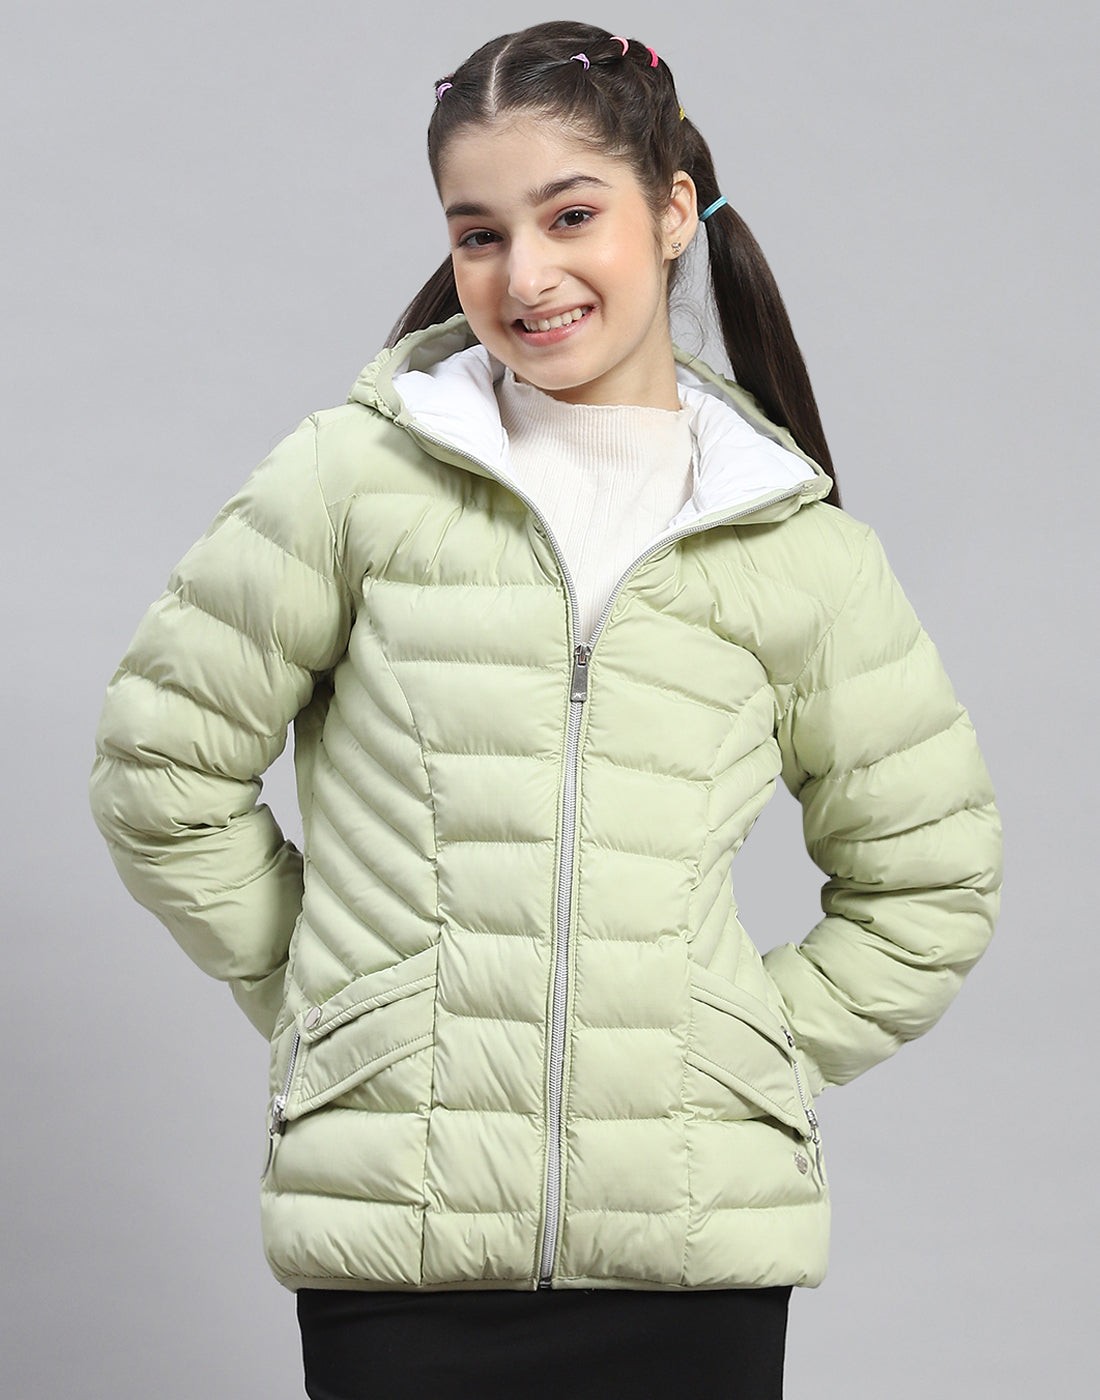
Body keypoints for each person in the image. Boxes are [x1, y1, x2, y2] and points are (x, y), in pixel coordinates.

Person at [89, 20, 1003, 1400]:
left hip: (690, 1257)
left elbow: (932, 879)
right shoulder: (353, 481)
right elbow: (160, 769)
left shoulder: (794, 544)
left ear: (674, 210)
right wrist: (345, 1011)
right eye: (479, 233)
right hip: (399, 1246)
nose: (525, 275)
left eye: (571, 216)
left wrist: (734, 1057)